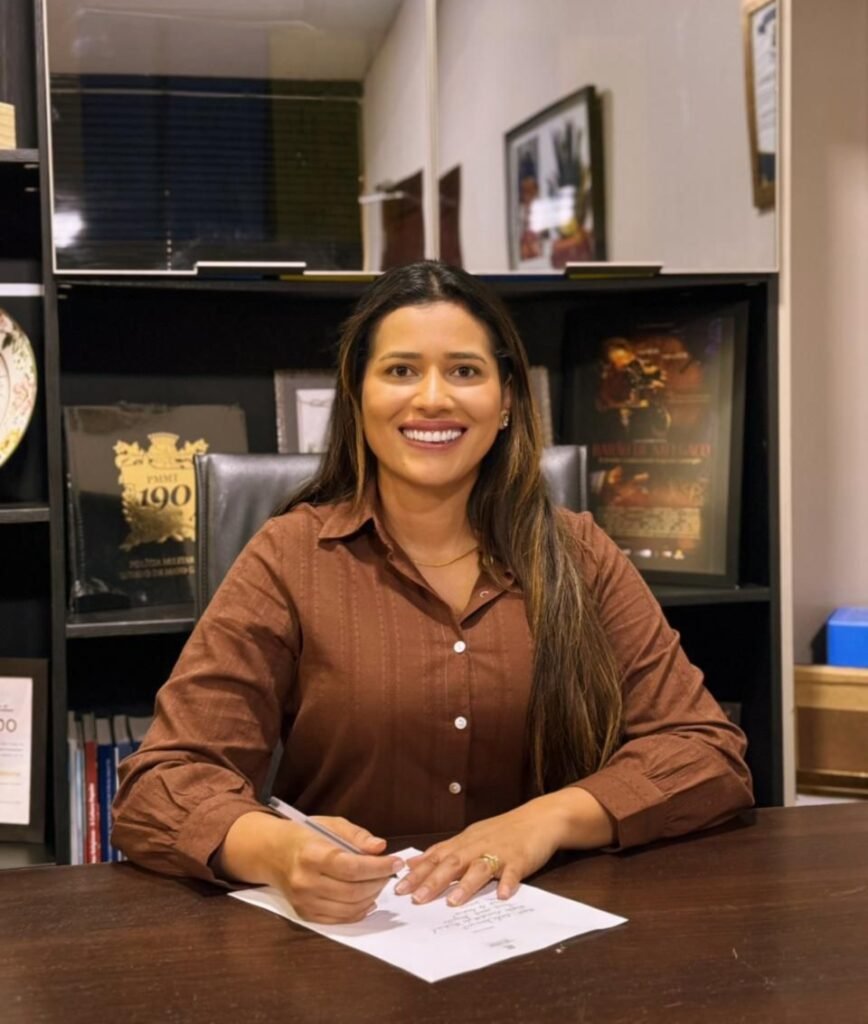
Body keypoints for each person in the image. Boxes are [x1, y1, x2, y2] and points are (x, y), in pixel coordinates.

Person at [112, 260, 753, 924]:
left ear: (507, 400)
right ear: (356, 397)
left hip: (543, 925)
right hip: (353, 931)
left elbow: (704, 751)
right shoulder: (290, 557)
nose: (433, 399)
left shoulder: (579, 553)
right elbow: (162, 782)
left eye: (465, 371)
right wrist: (277, 851)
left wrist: (545, 821)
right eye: (400, 370)